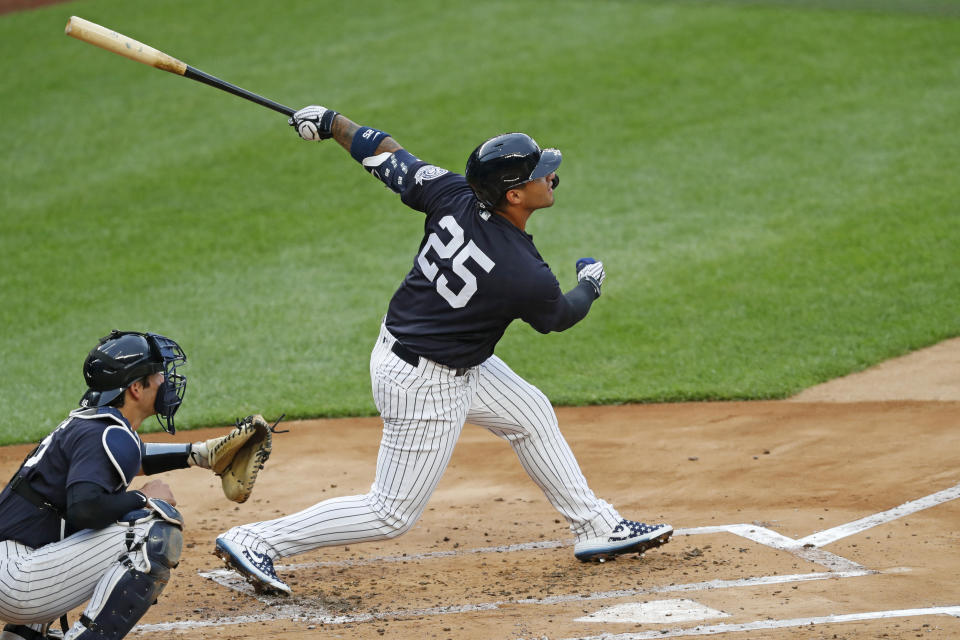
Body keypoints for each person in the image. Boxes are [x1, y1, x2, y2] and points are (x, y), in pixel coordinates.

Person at [214, 106, 672, 596]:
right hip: (426, 383)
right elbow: (558, 316)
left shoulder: (452, 193)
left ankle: (596, 525)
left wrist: (332, 124)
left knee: (531, 414)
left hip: (425, 352)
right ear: (514, 195)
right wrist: (590, 284)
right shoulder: (521, 271)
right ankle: (257, 539)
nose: (552, 177)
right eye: (542, 174)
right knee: (390, 512)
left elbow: (386, 155)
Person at [0, 330, 224, 640]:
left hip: (12, 568)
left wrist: (198, 454)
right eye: (157, 373)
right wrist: (142, 498)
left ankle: (21, 636)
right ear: (135, 388)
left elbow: (132, 456)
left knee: (70, 523)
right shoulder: (105, 434)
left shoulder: (94, 425)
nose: (164, 380)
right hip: (18, 581)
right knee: (152, 528)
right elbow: (85, 509)